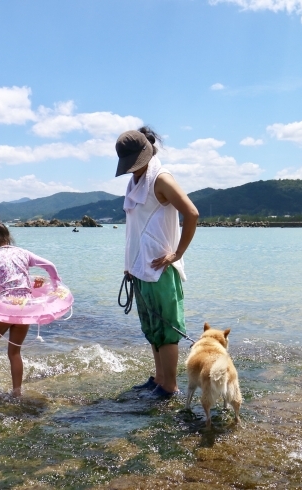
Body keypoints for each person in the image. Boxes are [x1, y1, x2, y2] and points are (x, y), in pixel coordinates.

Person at [115, 127, 199, 399]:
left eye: (135, 165)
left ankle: (170, 387)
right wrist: (130, 264)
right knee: (152, 328)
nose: (133, 170)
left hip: (161, 269)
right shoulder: (136, 183)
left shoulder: (161, 179)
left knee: (167, 330)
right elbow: (135, 229)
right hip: (140, 270)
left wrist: (177, 254)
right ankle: (160, 380)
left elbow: (192, 213)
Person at [0, 215, 62, 397]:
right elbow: (50, 265)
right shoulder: (23, 253)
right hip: (25, 309)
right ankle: (17, 392)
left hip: (5, 308)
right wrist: (56, 284)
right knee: (15, 352)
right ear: (7, 237)